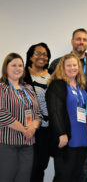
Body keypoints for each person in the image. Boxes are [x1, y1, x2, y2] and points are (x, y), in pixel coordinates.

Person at [46, 53, 87, 182]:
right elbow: (54, 111)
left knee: (77, 177)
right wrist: (61, 133)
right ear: (62, 68)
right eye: (68, 65)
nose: (72, 68)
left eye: (75, 65)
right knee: (64, 177)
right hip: (67, 140)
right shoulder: (57, 85)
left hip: (83, 139)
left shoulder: (82, 86)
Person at [0, 53, 42, 182]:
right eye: (13, 65)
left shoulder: (28, 88)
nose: (17, 68)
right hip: (7, 144)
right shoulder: (2, 88)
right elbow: (1, 113)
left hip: (27, 144)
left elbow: (38, 113)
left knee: (23, 179)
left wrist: (33, 127)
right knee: (6, 178)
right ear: (6, 68)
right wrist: (24, 129)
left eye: (20, 65)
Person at [24, 42, 52, 182]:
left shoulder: (52, 75)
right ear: (30, 56)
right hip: (28, 128)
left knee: (40, 166)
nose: (42, 56)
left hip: (47, 130)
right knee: (28, 167)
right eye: (38, 53)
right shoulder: (22, 74)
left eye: (45, 54)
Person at [49, 28, 87, 93]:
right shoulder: (57, 63)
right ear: (72, 41)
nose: (81, 42)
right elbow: (50, 88)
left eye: (84, 40)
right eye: (78, 39)